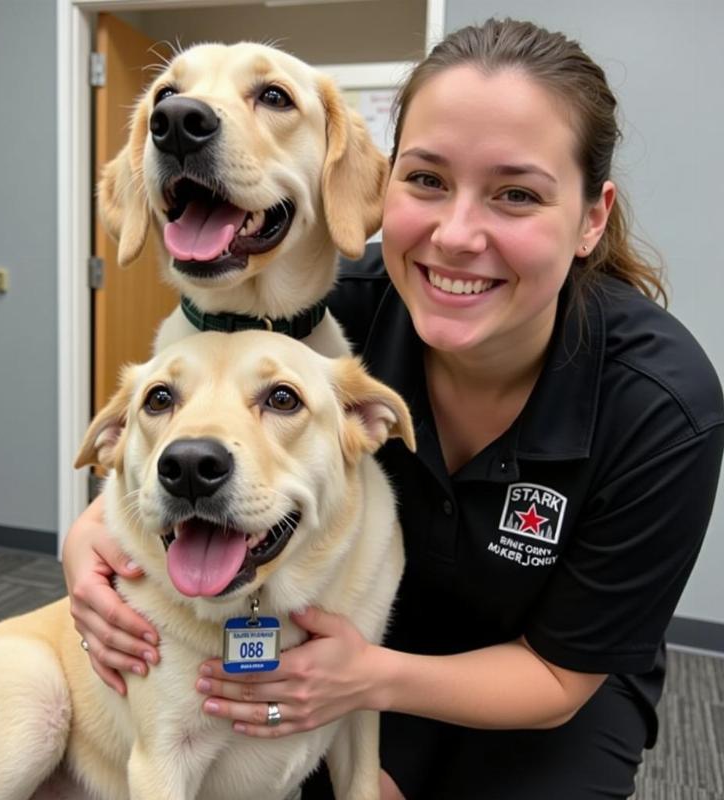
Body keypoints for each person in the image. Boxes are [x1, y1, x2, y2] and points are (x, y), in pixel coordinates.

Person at [63, 18, 724, 799]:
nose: (455, 235)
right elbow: (189, 435)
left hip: (543, 681)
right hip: (361, 633)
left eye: (516, 194)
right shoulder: (313, 322)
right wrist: (88, 541)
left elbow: (560, 675)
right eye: (427, 180)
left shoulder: (662, 406)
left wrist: (367, 679)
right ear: (384, 184)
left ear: (591, 217)